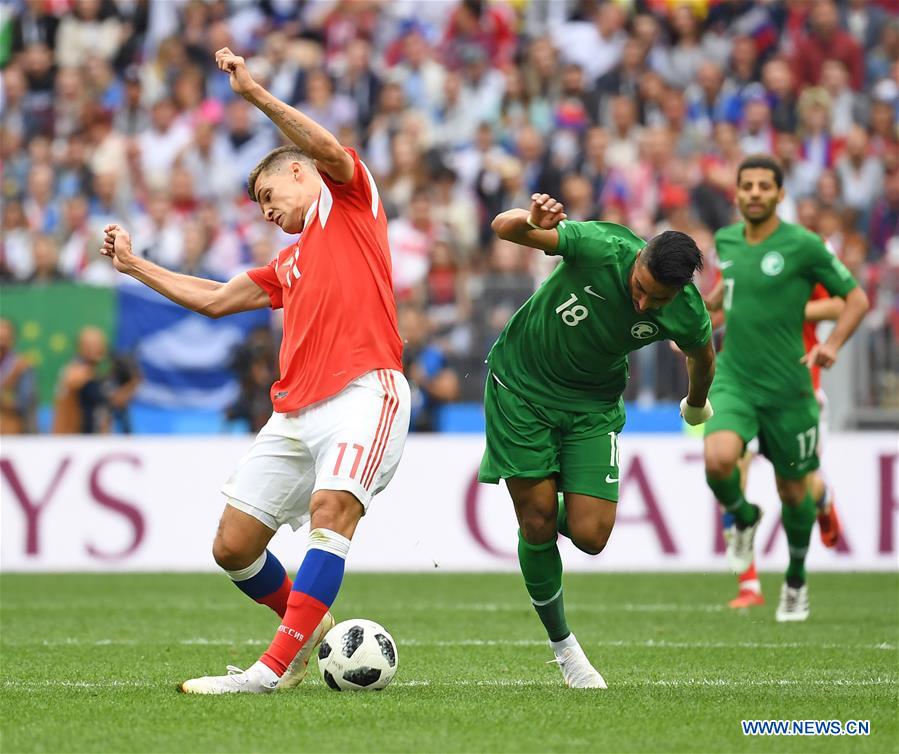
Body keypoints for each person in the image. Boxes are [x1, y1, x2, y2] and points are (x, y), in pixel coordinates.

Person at [99, 47, 410, 694]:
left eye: (270, 195)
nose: (266, 211)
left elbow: (327, 146)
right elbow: (214, 299)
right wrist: (136, 266)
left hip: (363, 390)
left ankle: (269, 670)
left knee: (331, 510)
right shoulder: (290, 263)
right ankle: (313, 637)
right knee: (233, 547)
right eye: (259, 206)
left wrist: (255, 96)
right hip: (295, 411)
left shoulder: (348, 204)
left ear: (301, 173)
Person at [480, 192, 716, 688]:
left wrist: (696, 403)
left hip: (592, 406)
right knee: (540, 520)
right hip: (521, 386)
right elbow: (503, 227)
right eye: (640, 287)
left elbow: (703, 355)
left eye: (658, 300)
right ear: (639, 257)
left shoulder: (686, 310)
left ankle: (539, 504)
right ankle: (565, 650)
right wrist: (531, 221)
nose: (643, 304)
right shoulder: (598, 245)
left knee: (591, 536)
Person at [703, 155, 869, 622]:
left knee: (795, 492)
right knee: (718, 461)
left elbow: (855, 299)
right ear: (736, 193)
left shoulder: (804, 245)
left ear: (780, 194)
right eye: (747, 185)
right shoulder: (726, 240)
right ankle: (744, 518)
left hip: (791, 388)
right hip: (735, 378)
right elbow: (724, 296)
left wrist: (831, 344)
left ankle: (795, 580)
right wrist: (696, 321)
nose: (754, 193)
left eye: (764, 186)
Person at [721, 283, 845, 610]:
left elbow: (841, 305)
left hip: (796, 389)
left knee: (796, 487)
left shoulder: (803, 253)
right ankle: (748, 584)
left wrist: (783, 307)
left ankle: (823, 497)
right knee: (730, 473)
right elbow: (727, 309)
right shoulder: (733, 251)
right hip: (744, 387)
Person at [52, 326, 141, 434]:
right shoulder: (77, 373)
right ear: (82, 347)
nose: (100, 349)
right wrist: (134, 382)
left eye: (100, 345)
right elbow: (111, 400)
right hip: (74, 440)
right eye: (95, 345)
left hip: (81, 439)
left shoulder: (86, 372)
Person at [0, 319, 37, 434]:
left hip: (12, 432)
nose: (1, 344)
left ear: (12, 340)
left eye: (4, 340)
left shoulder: (22, 367)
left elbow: (24, 402)